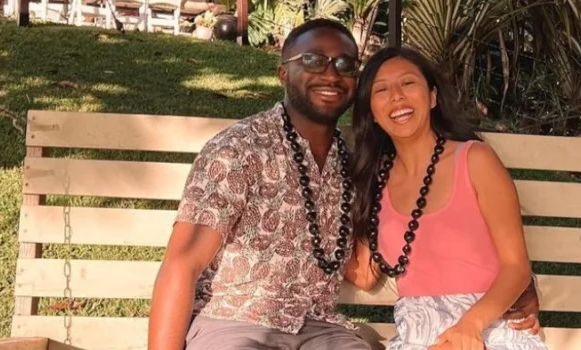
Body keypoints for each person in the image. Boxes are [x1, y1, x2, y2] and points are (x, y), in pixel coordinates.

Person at [146, 18, 541, 350]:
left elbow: (370, 266)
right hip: (236, 323)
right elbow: (183, 262)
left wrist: (513, 290)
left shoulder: (357, 165)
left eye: (345, 64)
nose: (331, 74)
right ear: (283, 72)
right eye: (314, 60)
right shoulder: (239, 149)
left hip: (320, 329)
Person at [343, 46, 548, 350]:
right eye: (381, 90)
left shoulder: (474, 160)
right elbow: (363, 275)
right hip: (418, 332)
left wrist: (469, 327)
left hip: (488, 325)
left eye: (409, 83)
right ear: (371, 113)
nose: (397, 96)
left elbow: (515, 266)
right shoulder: (376, 181)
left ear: (433, 96)